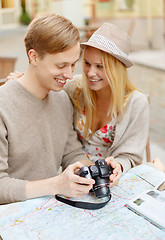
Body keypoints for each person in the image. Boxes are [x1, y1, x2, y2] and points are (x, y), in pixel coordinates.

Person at [0, 13, 98, 205]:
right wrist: (56, 185)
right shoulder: (3, 106)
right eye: (61, 65)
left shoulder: (62, 100)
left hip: (49, 210)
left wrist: (95, 170)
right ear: (34, 57)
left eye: (73, 64)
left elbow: (71, 154)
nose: (70, 75)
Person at [64, 22, 149, 174]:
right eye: (87, 63)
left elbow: (131, 156)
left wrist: (118, 166)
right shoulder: (74, 88)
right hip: (77, 178)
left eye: (100, 66)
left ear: (117, 68)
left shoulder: (136, 102)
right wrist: (21, 81)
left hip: (113, 182)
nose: (90, 73)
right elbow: (46, 89)